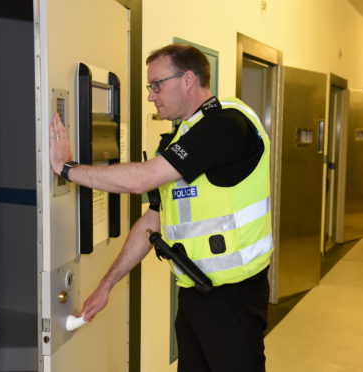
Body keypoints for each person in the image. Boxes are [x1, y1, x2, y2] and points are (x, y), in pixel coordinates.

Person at [49, 43, 273, 372]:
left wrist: (67, 168)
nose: (151, 96)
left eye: (157, 85)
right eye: (150, 87)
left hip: (235, 298)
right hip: (195, 292)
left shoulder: (227, 125)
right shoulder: (180, 136)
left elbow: (142, 179)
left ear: (188, 80)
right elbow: (153, 219)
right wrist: (107, 284)